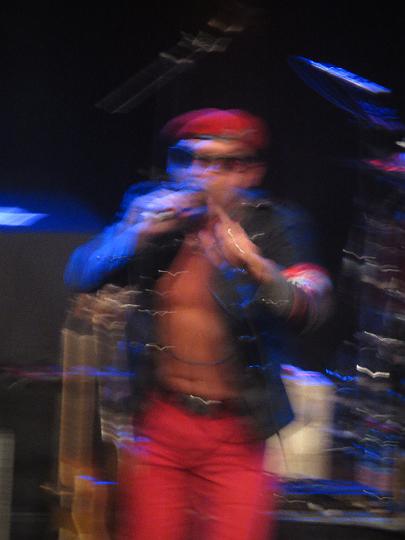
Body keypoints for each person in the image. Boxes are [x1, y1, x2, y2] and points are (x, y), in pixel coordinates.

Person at [64, 108, 332, 540]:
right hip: (160, 424)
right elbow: (81, 274)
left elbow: (311, 309)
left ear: (248, 172)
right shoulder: (152, 211)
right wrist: (135, 234)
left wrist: (255, 266)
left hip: (237, 431)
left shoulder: (275, 224)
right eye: (186, 159)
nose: (199, 174)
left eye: (219, 163)